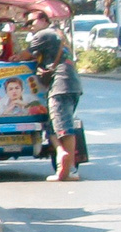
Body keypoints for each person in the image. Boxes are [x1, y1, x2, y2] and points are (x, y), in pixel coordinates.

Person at [32, 26, 84, 180]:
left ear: (43, 20)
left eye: (31, 21)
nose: (29, 26)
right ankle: (62, 155)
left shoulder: (43, 33)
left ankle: (67, 171)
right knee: (51, 125)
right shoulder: (60, 36)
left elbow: (25, 54)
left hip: (60, 88)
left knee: (63, 128)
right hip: (73, 86)